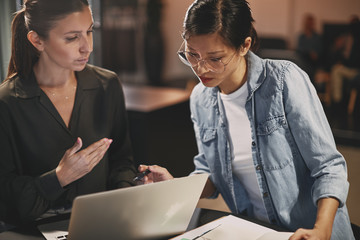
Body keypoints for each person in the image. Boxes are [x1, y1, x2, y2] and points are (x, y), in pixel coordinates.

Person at [139, 0, 355, 239]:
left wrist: (321, 229)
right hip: (255, 231)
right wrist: (175, 187)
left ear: (244, 45)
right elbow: (212, 175)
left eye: (215, 58)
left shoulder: (283, 82)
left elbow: (328, 167)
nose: (201, 69)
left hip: (310, 230)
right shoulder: (201, 99)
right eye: (192, 54)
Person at [0, 0, 136, 226]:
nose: (87, 47)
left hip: (103, 223)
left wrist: (129, 190)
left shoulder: (107, 85)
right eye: (72, 38)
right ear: (37, 40)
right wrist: (59, 178)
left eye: (89, 31)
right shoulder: (7, 102)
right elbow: (5, 196)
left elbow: (122, 161)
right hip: (32, 231)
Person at [330, 15, 360, 105]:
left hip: (355, 70)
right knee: (336, 68)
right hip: (348, 66)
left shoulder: (357, 39)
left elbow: (355, 60)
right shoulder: (347, 38)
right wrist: (337, 46)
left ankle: (337, 102)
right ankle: (337, 100)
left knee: (336, 70)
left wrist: (344, 63)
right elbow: (338, 53)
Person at [296, 13, 323, 81]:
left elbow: (320, 50)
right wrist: (309, 52)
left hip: (314, 62)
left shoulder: (317, 37)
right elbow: (299, 49)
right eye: (308, 23)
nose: (309, 25)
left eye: (311, 23)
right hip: (303, 60)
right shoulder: (301, 37)